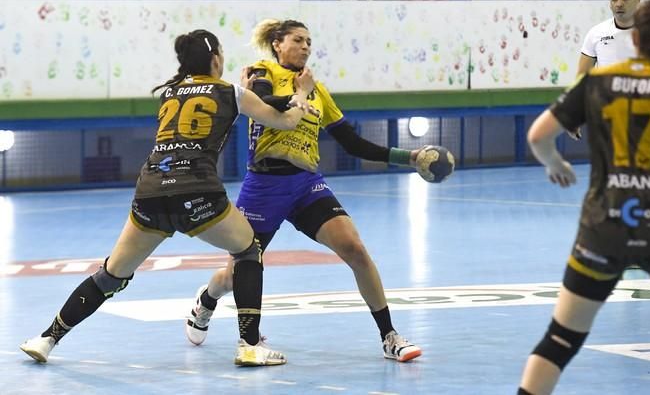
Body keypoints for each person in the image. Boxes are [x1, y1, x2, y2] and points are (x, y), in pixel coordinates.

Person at [19, 29, 315, 367]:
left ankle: (47, 338)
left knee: (110, 275)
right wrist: (301, 94)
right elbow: (283, 120)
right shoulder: (230, 91)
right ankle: (249, 345)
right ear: (216, 59)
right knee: (248, 249)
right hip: (197, 191)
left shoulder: (169, 92)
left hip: (151, 191)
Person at [184, 19, 424, 363]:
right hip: (264, 186)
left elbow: (352, 143)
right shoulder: (262, 70)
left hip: (306, 184)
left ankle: (389, 335)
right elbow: (265, 100)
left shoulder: (318, 90)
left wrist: (408, 157)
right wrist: (298, 94)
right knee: (237, 273)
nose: (306, 47)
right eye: (298, 40)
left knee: (355, 249)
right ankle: (208, 298)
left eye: (309, 42)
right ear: (278, 44)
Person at [517, 0, 650, 395]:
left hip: (604, 228)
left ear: (636, 41)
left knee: (561, 339)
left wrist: (555, 164)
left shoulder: (597, 82)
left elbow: (538, 136)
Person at [578, 0, 640, 75]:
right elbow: (581, 78)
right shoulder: (596, 33)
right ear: (610, 3)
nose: (619, 4)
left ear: (637, 1)